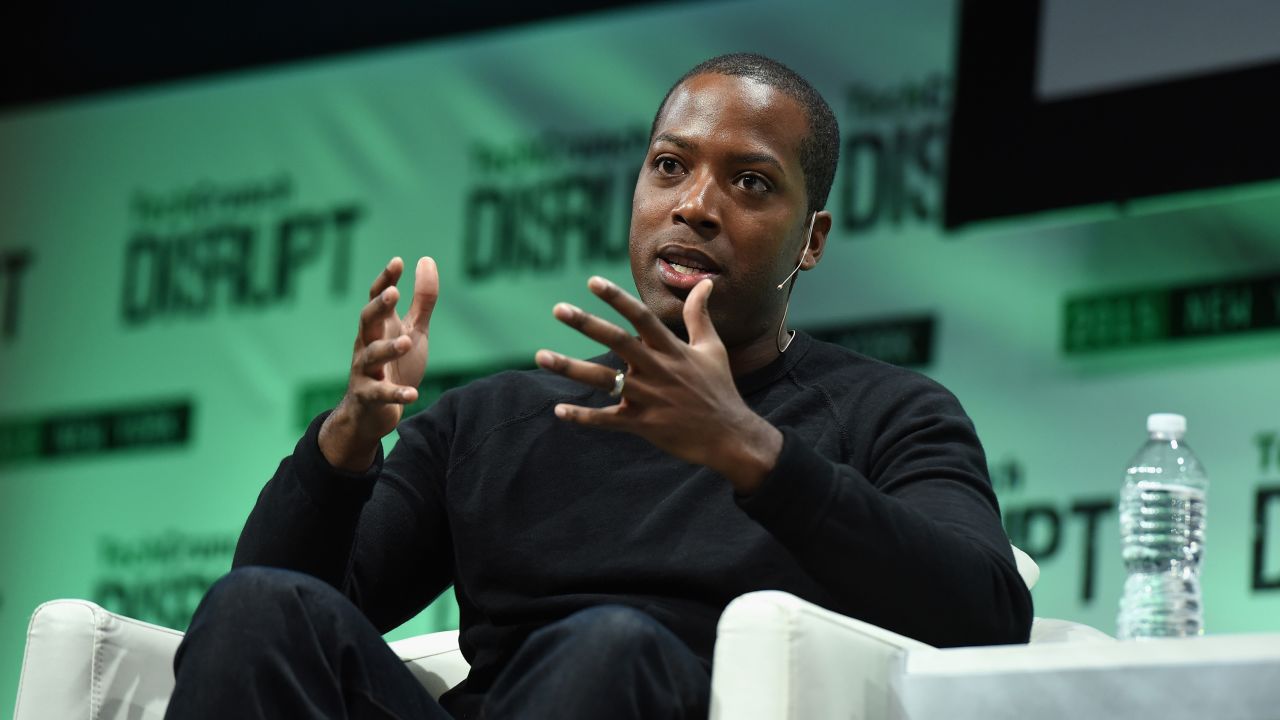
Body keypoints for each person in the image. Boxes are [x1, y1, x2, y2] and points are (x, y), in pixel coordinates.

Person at [166, 53, 1032, 720]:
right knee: (252, 608)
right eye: (669, 166)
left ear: (812, 239)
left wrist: (750, 449)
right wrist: (347, 442)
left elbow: (989, 615)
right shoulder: (494, 420)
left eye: (751, 182)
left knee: (608, 647)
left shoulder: (891, 414)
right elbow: (293, 619)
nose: (696, 205)